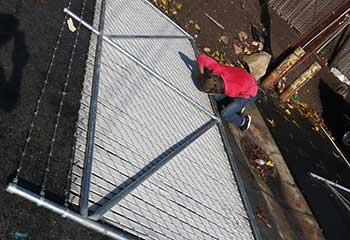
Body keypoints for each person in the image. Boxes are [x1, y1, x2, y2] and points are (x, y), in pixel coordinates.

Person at [197, 53, 258, 131]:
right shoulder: (217, 68)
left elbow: (244, 95)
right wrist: (201, 75)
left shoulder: (233, 89)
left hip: (249, 93)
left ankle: (243, 121)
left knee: (225, 114)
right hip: (242, 79)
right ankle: (235, 107)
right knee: (217, 97)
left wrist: (238, 104)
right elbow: (201, 57)